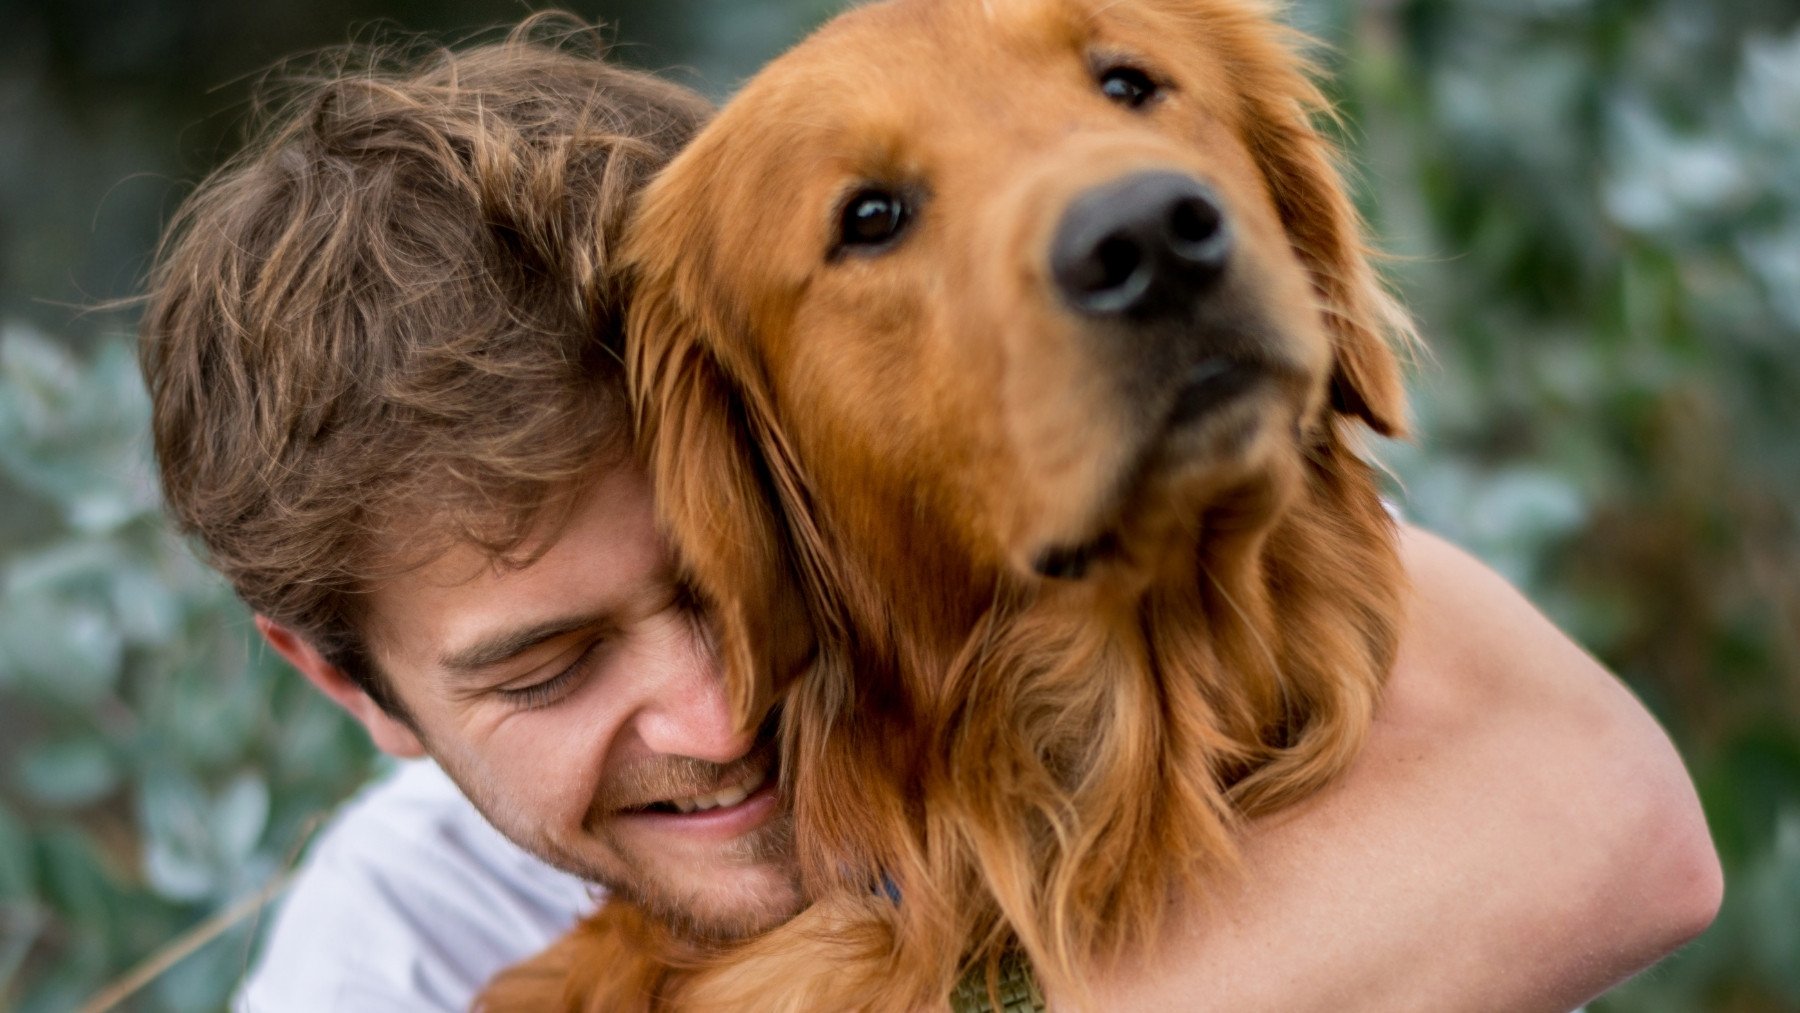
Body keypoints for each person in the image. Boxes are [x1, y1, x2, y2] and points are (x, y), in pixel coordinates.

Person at [136, 22, 1721, 1012]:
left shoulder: (1218, 583)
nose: (724, 700)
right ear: (346, 682)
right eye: (546, 668)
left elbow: (1625, 830)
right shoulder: (397, 944)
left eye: (739, 568)